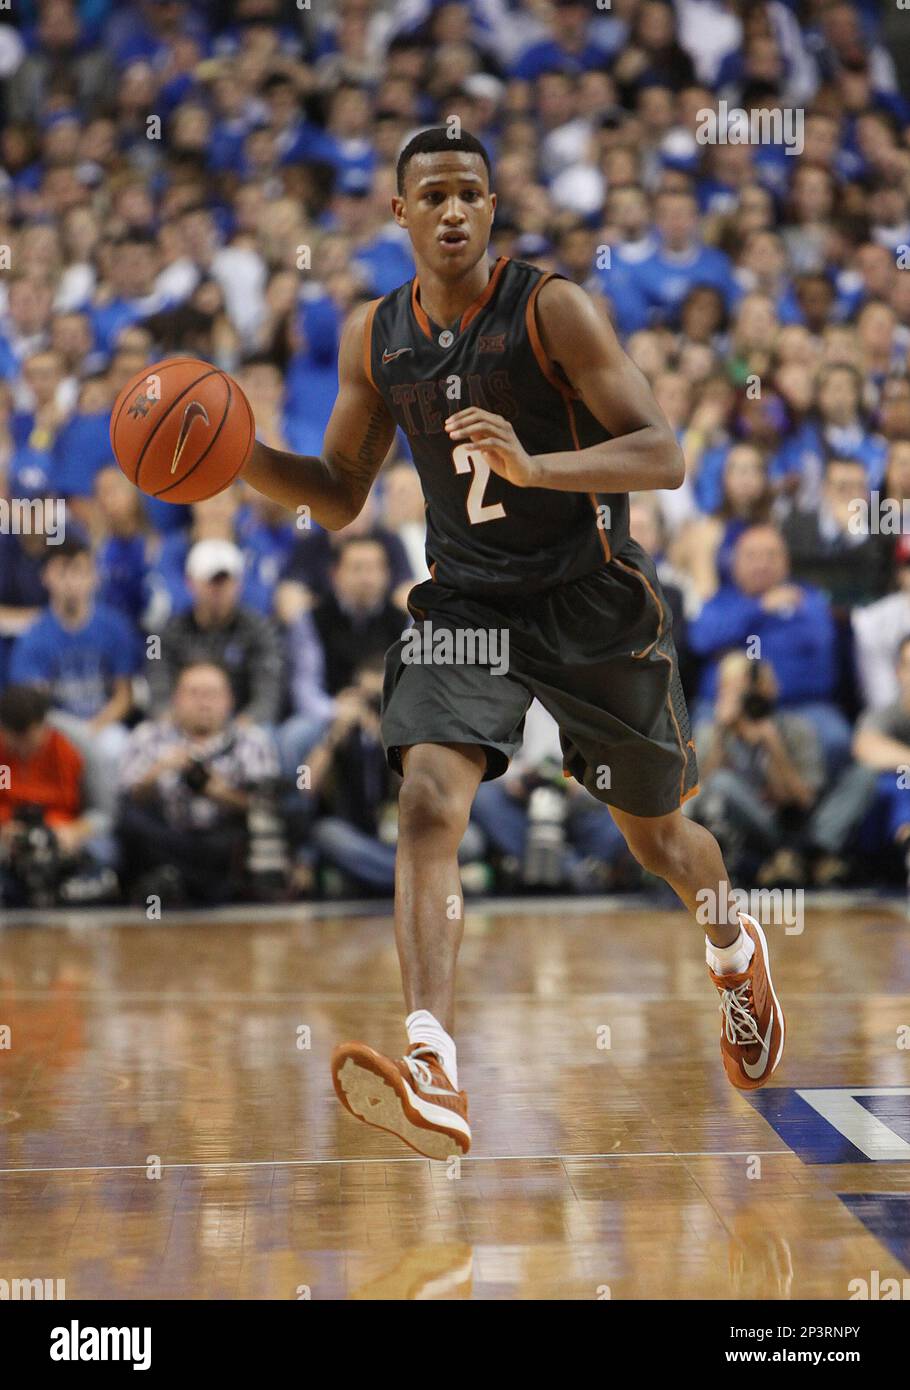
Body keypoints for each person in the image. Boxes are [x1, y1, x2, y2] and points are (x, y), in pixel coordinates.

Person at [240, 128, 786, 1159]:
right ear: (397, 214)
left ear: (493, 209)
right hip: (467, 605)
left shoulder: (551, 309)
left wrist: (536, 469)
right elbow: (338, 496)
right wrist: (235, 457)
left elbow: (662, 453)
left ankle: (731, 945)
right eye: (432, 195)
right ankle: (434, 1059)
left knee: (661, 840)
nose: (453, 211)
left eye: (471, 194)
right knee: (425, 798)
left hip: (587, 599)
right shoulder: (374, 337)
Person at [118, 661, 279, 906]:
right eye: (193, 694)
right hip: (168, 834)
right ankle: (196, 886)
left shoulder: (251, 740)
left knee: (255, 825)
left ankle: (179, 882)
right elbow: (130, 796)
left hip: (220, 839)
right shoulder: (148, 735)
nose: (204, 702)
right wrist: (160, 770)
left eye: (213, 694)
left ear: (229, 700)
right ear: (175, 699)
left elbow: (266, 805)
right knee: (128, 821)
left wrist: (218, 791)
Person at [9, 535, 138, 816]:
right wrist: (78, 733)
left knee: (119, 746)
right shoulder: (34, 635)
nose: (71, 581)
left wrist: (93, 728)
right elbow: (35, 706)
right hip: (55, 730)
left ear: (94, 577)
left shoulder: (115, 626)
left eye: (79, 570)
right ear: (46, 577)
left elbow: (124, 697)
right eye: (62, 571)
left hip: (104, 725)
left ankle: (113, 830)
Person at [0, 683, 118, 907]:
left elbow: (104, 811)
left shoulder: (78, 742)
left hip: (67, 831)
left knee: (107, 851)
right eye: (14, 740)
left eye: (29, 738)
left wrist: (74, 832)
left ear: (44, 725)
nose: (22, 748)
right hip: (9, 839)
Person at [146, 538, 285, 726]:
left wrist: (232, 734)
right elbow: (158, 690)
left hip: (241, 725)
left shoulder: (260, 630)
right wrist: (180, 726)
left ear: (239, 584)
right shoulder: (164, 634)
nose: (218, 590)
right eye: (211, 581)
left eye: (225, 581)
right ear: (190, 583)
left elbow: (267, 696)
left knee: (264, 735)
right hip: (182, 725)